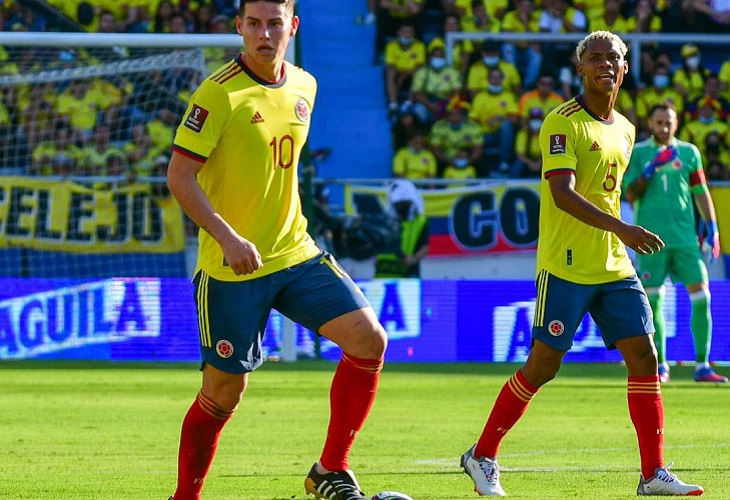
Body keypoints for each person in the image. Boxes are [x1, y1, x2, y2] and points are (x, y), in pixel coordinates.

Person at [460, 31, 705, 497]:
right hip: (567, 266)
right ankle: (482, 455)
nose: (605, 64)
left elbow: (611, 192)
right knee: (542, 366)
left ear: (625, 68)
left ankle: (652, 473)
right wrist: (623, 228)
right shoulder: (561, 121)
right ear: (581, 68)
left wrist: (619, 235)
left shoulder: (628, 128)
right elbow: (562, 193)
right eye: (595, 58)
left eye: (613, 58)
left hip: (614, 266)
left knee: (645, 358)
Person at [165, 2, 388, 499]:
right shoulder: (218, 93)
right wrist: (226, 236)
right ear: (240, 27)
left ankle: (331, 469)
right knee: (224, 394)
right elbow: (179, 175)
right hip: (230, 267)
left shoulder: (305, 85)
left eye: (274, 22)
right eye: (253, 23)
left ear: (293, 25)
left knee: (368, 340)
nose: (264, 33)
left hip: (293, 252)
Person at [624, 102, 727, 384]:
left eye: (669, 122)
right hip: (650, 239)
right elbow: (630, 195)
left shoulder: (689, 153)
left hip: (685, 238)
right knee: (654, 300)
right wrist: (650, 170)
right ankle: (661, 366)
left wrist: (713, 227)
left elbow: (701, 191)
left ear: (677, 123)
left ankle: (702, 366)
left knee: (702, 296)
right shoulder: (640, 153)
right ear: (651, 124)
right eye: (659, 122)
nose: (664, 127)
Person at [375, 179, 429, 278]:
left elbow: (424, 246)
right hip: (382, 273)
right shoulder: (386, 219)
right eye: (398, 204)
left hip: (408, 274)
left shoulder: (420, 221)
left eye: (405, 203)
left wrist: (413, 260)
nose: (401, 207)